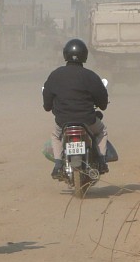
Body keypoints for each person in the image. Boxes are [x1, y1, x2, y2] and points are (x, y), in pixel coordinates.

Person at [42, 38, 110, 180]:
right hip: (88, 121)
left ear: (65, 54)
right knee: (102, 131)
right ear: (84, 55)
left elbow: (47, 104)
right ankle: (102, 161)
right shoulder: (91, 76)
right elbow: (102, 101)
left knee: (55, 136)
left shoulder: (55, 75)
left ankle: (58, 164)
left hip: (63, 122)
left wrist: (50, 106)